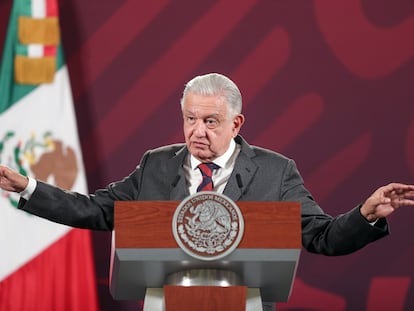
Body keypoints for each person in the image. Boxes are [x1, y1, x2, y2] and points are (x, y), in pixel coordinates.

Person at [1, 72, 414, 256]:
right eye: (190, 119)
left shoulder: (275, 171)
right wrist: (26, 188)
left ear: (236, 123)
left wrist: (365, 215)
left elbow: (322, 237)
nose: (197, 130)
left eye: (211, 121)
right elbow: (95, 209)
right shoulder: (156, 166)